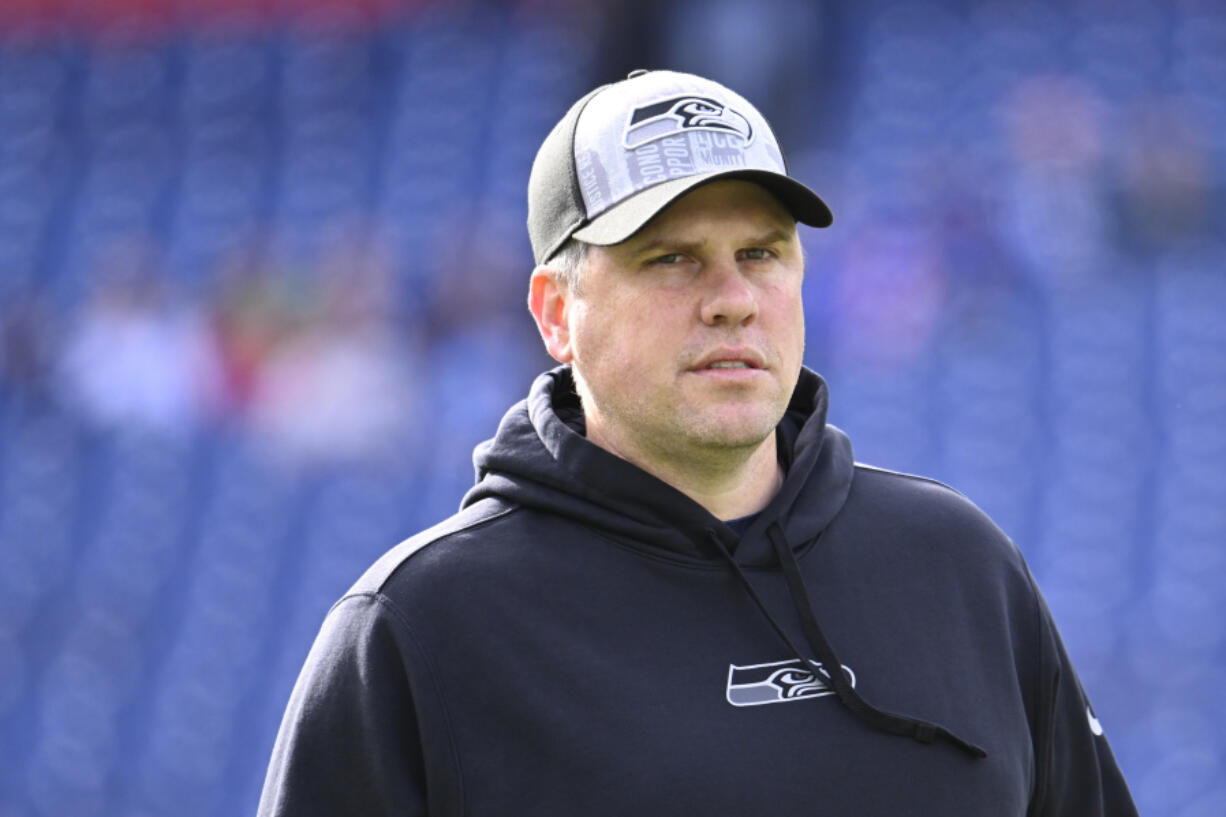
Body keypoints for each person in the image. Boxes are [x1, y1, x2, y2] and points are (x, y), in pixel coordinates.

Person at [257, 69, 1138, 816]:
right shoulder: (419, 628)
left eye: (761, 253)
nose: (732, 298)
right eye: (670, 258)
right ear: (557, 314)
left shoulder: (960, 565)